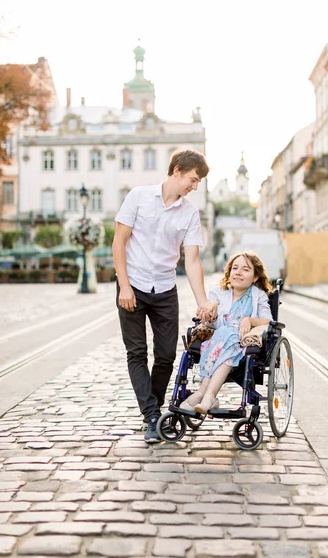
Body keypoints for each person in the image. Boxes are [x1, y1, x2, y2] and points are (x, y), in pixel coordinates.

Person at [112, 148, 212, 443]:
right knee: (137, 353)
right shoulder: (139, 196)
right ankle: (152, 416)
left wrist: (202, 301)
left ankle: (151, 413)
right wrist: (125, 285)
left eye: (198, 184)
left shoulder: (190, 213)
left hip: (165, 289)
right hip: (133, 285)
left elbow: (192, 260)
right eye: (192, 180)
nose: (194, 187)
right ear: (177, 170)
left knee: (166, 356)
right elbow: (119, 242)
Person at [180, 252, 273, 415]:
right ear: (229, 273)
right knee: (224, 336)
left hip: (241, 344)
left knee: (229, 339)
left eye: (245, 269)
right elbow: (210, 323)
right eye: (235, 268)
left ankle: (205, 394)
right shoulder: (218, 293)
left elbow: (268, 321)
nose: (238, 272)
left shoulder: (258, 296)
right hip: (218, 341)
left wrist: (249, 320)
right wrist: (211, 311)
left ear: (255, 277)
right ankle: (207, 396)